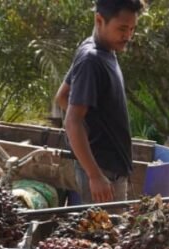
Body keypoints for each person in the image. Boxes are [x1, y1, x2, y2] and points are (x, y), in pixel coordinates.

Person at [54, 0, 144, 204]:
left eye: (132, 29)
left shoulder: (104, 50)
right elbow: (72, 122)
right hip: (103, 171)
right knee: (104, 234)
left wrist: (91, 125)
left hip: (111, 168)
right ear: (99, 20)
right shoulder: (91, 60)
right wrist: (94, 175)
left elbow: (62, 96)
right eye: (122, 28)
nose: (128, 36)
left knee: (109, 232)